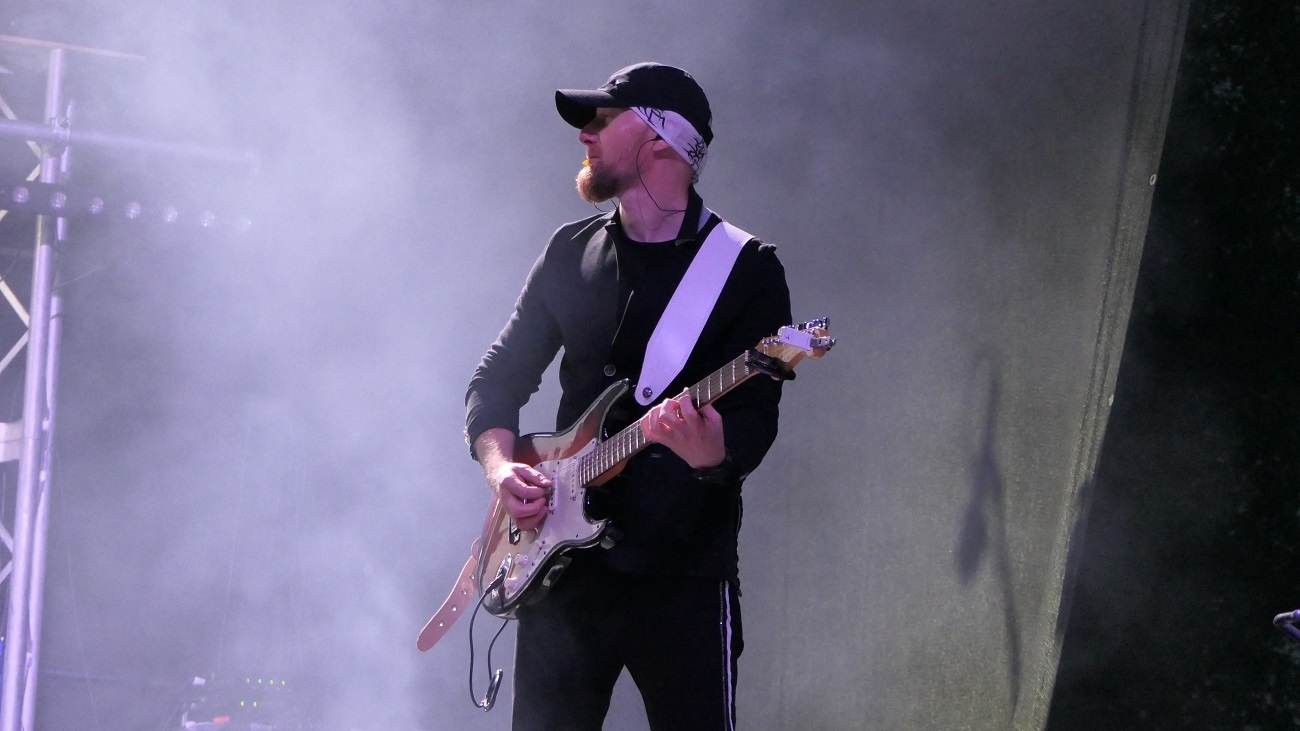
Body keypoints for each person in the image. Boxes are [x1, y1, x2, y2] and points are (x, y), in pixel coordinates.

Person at [464, 62, 792, 731]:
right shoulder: (569, 251)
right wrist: (501, 470)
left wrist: (711, 449)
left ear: (662, 140)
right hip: (560, 575)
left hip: (682, 577)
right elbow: (496, 380)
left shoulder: (745, 268)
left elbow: (754, 423)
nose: (584, 133)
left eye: (604, 119)